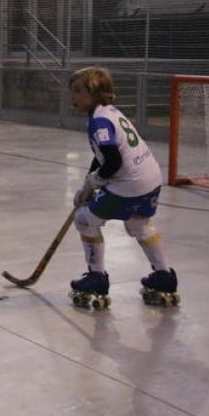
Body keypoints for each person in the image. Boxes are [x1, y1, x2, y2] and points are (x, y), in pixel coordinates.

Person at [67, 66, 179, 308]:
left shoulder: (99, 122)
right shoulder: (109, 112)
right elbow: (102, 157)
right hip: (150, 177)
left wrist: (93, 183)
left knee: (85, 221)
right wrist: (87, 184)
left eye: (77, 91)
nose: (72, 97)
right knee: (139, 224)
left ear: (95, 94)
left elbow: (114, 163)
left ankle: (97, 277)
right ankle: (164, 275)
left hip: (130, 184)